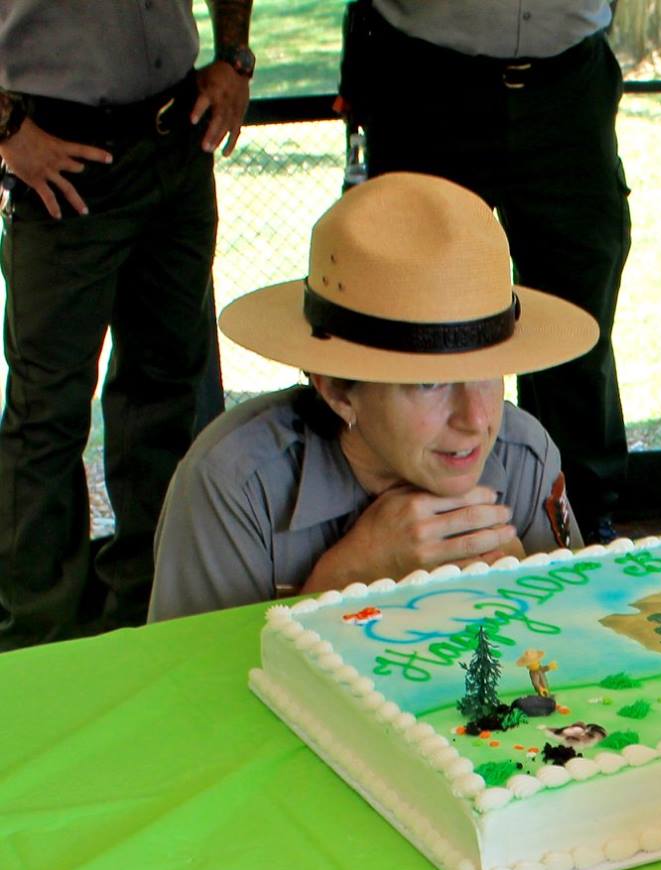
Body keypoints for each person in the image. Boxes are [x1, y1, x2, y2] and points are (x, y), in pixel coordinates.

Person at [149, 173, 597, 620]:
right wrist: (347, 576)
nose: (476, 419)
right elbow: (186, 682)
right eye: (429, 383)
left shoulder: (524, 459)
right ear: (337, 391)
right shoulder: (235, 486)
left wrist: (531, 603)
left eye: (487, 373)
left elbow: (587, 649)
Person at [0, 0, 251, 649]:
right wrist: (6, 130)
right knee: (47, 414)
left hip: (178, 139)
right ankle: (37, 638)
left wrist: (235, 58)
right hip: (61, 150)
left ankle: (154, 610)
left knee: (166, 388)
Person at [338, 0, 631, 540]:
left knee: (578, 333)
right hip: (425, 84)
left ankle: (581, 526)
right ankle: (410, 533)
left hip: (568, 85)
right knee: (416, 330)